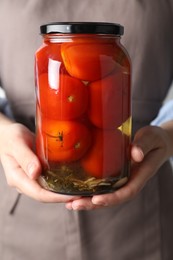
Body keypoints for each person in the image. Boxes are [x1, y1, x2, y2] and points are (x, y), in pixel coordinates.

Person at [0, 0, 173, 259]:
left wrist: (169, 136)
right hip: (25, 215)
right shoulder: (47, 54)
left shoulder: (114, 53)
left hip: (141, 216)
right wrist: (2, 133)